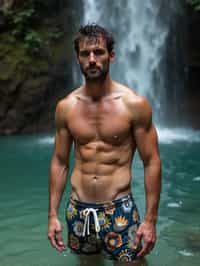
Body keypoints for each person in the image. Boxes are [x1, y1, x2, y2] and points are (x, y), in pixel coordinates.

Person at [48, 24, 161, 265]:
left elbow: (151, 162)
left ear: (111, 55)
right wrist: (52, 215)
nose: (92, 59)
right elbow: (59, 162)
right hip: (78, 210)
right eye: (85, 53)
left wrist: (150, 220)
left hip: (119, 210)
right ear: (77, 58)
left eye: (98, 52)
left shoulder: (134, 105)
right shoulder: (65, 107)